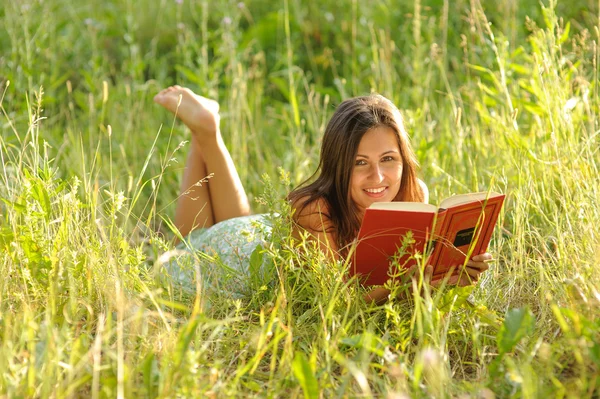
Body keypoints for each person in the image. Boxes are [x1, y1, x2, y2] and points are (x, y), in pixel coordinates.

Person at [153, 86, 492, 303]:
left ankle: (207, 128)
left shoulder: (414, 195)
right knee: (188, 242)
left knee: (236, 221)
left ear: (403, 158)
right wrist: (407, 288)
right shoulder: (313, 210)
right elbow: (333, 304)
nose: (378, 177)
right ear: (338, 164)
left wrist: (452, 274)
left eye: (388, 159)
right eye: (360, 163)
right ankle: (205, 130)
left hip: (259, 230)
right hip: (238, 258)